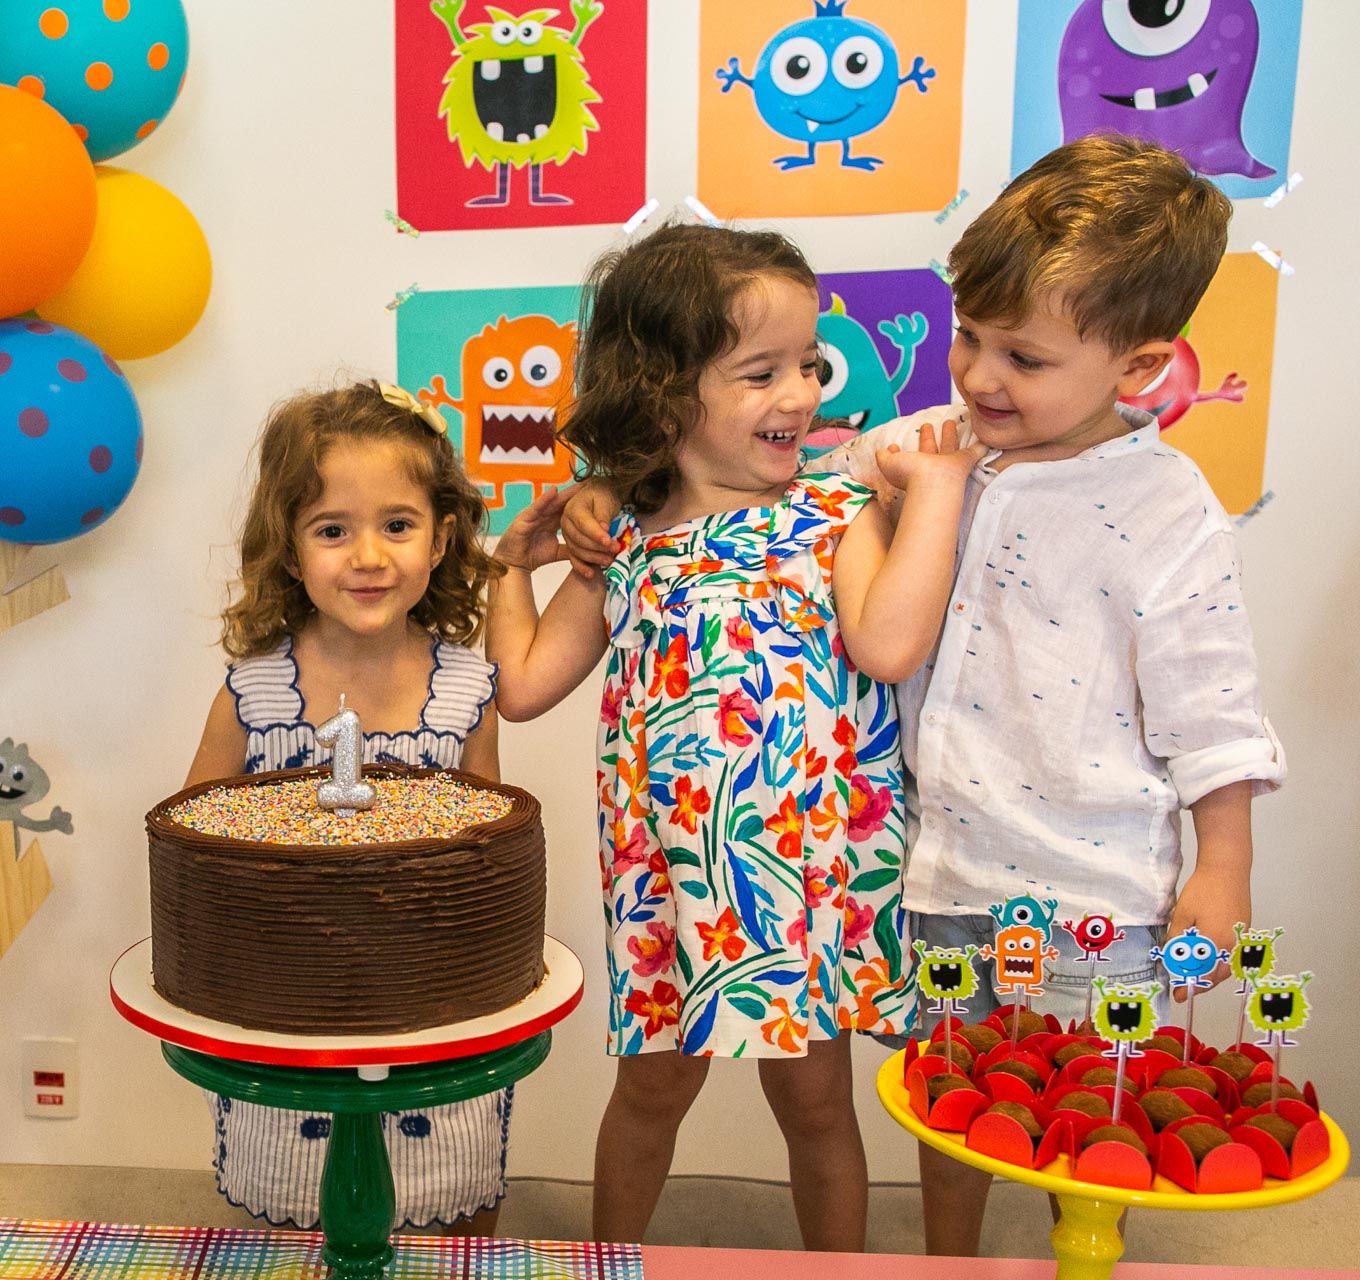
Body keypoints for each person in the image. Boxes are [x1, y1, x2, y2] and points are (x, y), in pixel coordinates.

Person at [558, 136, 1286, 1255]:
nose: (982, 379)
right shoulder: (929, 447)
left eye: (1024, 358)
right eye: (970, 338)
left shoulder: (1167, 509)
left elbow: (1214, 705)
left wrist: (1223, 864)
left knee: (1084, 1114)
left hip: (1096, 882)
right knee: (956, 1105)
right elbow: (741, 476)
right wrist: (608, 489)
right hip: (941, 866)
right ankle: (949, 1260)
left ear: (1139, 368)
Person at [487, 223, 977, 1247]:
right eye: (761, 372)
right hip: (674, 878)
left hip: (805, 877)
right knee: (652, 1091)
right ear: (663, 394)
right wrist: (509, 566)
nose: (800, 392)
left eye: (808, 363)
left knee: (816, 1101)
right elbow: (525, 685)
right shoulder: (624, 537)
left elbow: (889, 645)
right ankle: (610, 1264)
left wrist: (929, 495)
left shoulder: (839, 509)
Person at [183, 379, 511, 1234]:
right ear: (291, 551)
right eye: (333, 530)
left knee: (451, 1213)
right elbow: (192, 846)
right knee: (298, 1222)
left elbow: (489, 858)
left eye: (397, 525)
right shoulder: (254, 694)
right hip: (289, 1007)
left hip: (431, 1000)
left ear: (441, 538)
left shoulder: (468, 692)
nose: (368, 556)